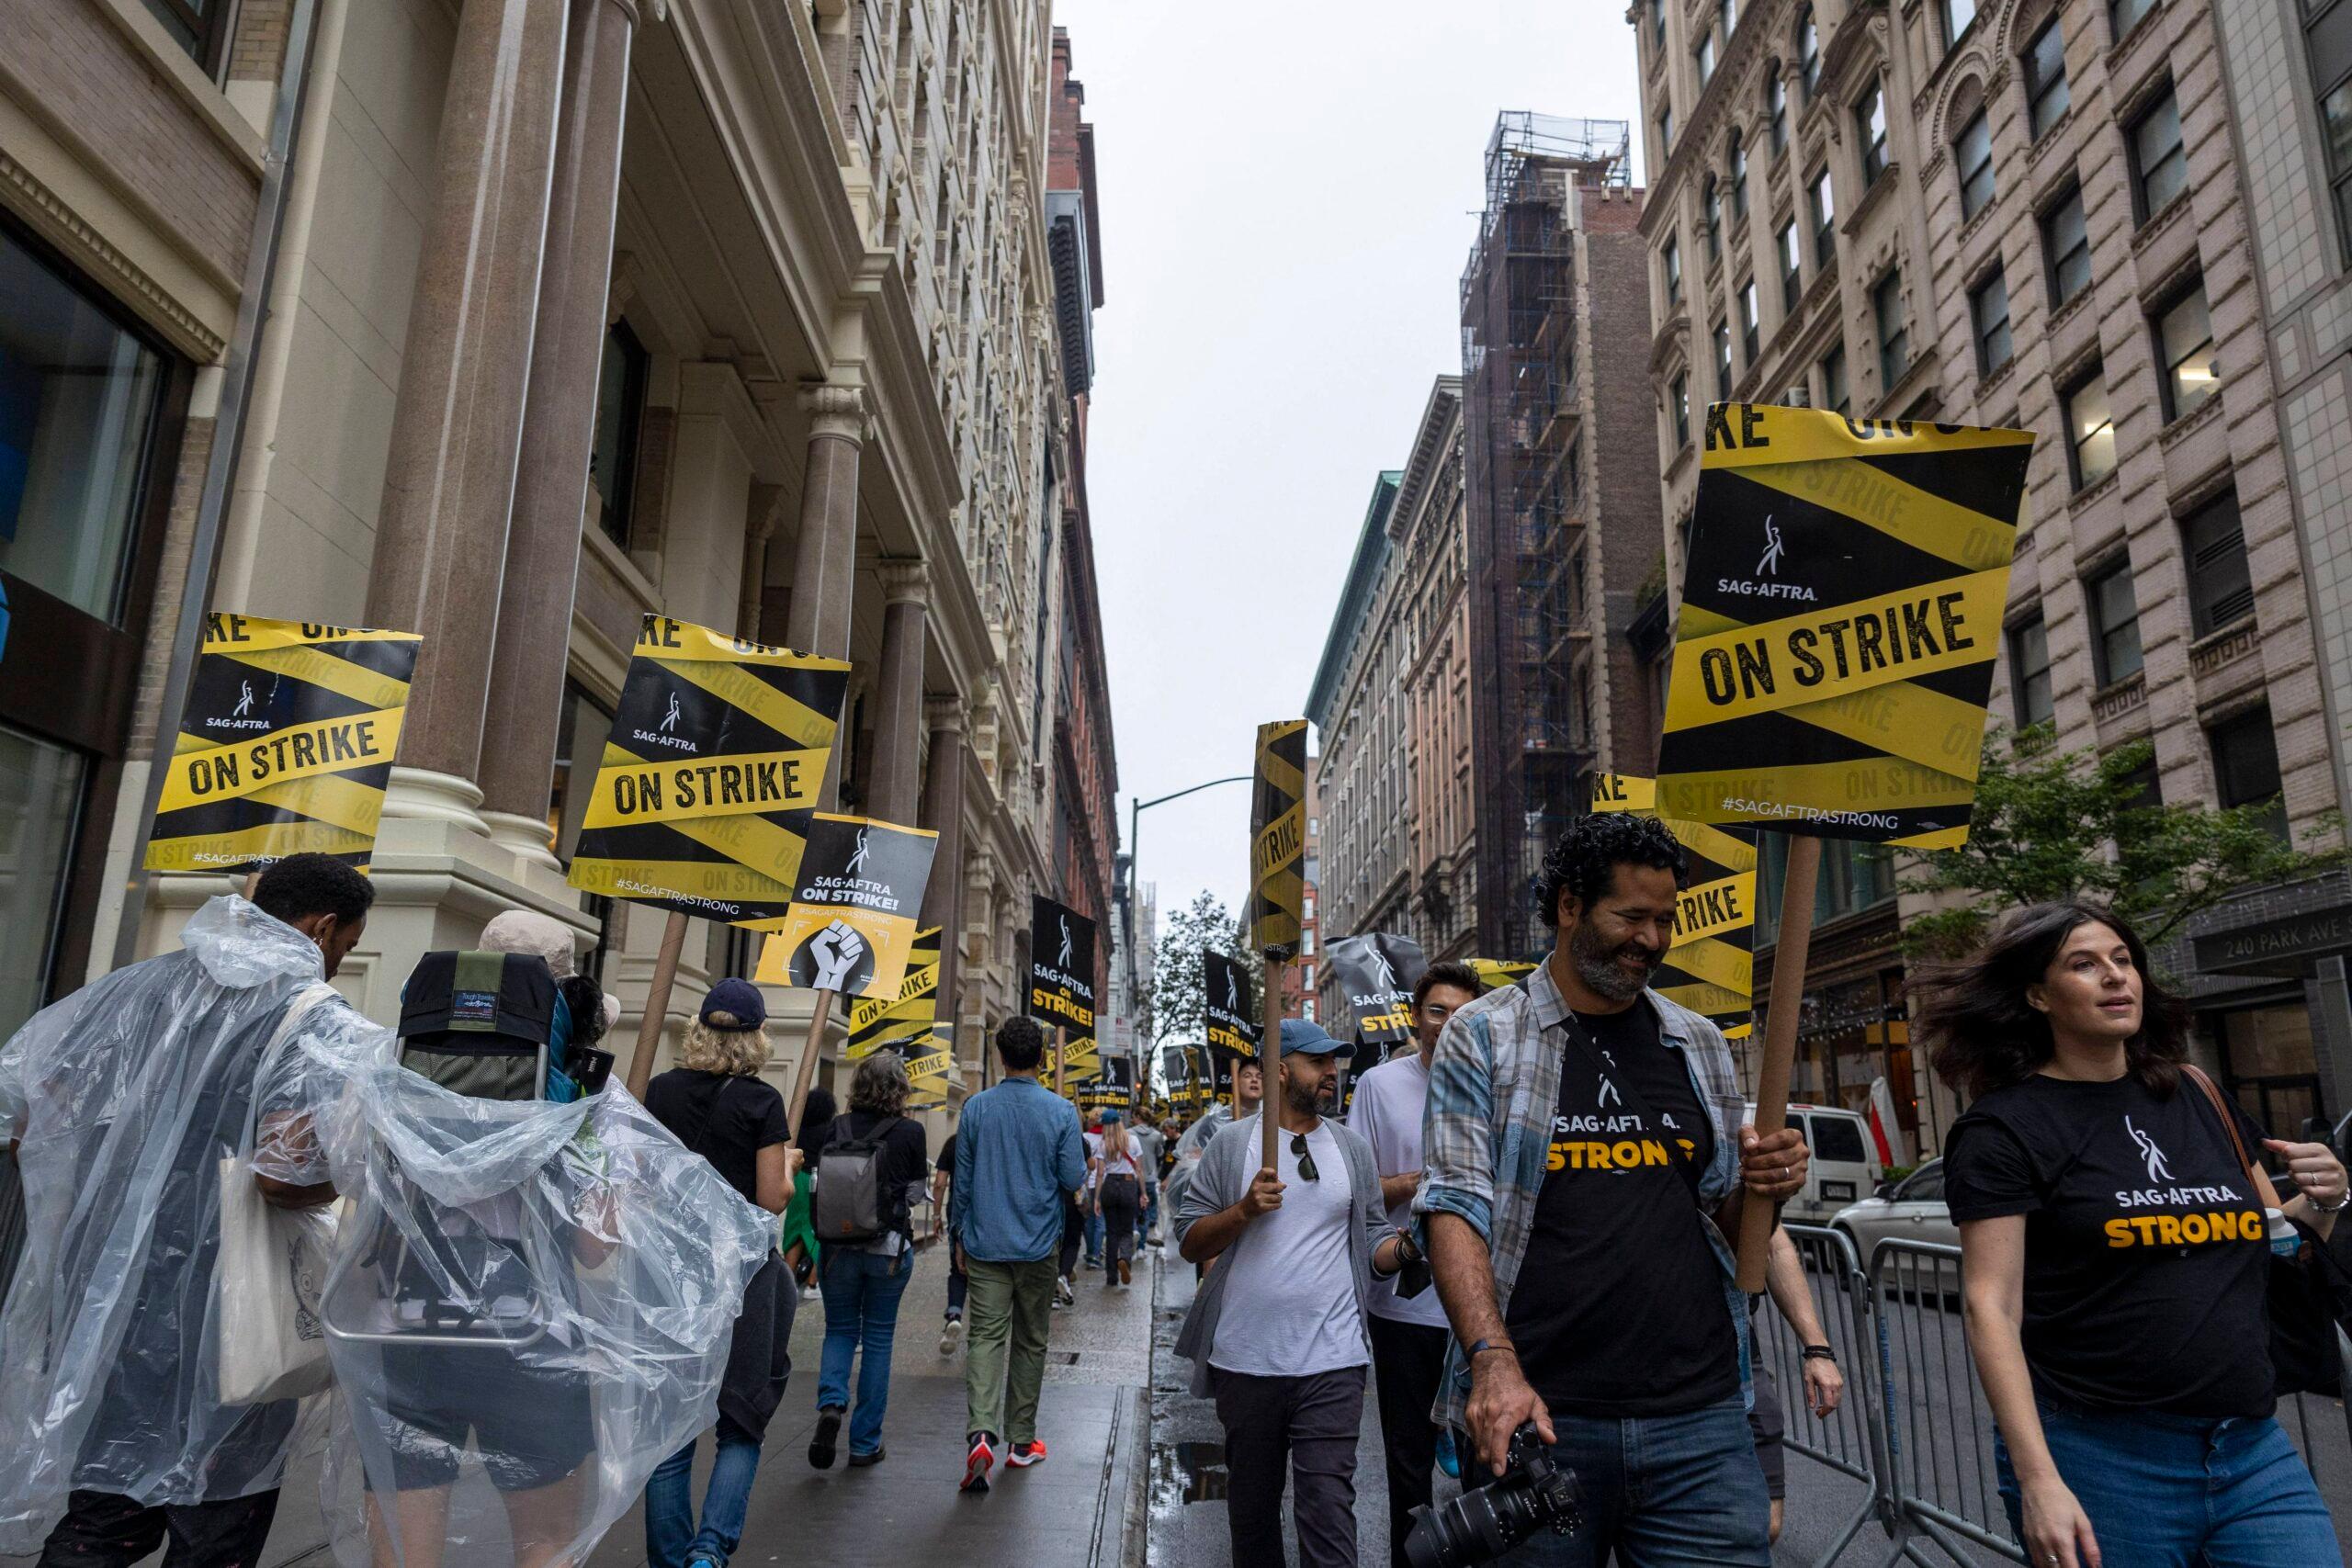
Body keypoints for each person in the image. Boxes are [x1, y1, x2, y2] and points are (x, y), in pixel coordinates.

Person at [1417, 813, 1811, 1566]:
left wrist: (1772, 1186)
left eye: (1665, 919)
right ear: (1569, 906)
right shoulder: (1483, 1034)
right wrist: (1493, 1362)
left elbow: (1726, 1216)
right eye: (1631, 916)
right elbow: (1456, 1203)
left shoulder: (1695, 1040)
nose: (1653, 939)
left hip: (1701, 1421)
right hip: (1542, 1422)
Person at [1922, 902, 2348, 1568]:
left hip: (2250, 1450)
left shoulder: (2197, 1094)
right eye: (2084, 964)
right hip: (2101, 1459)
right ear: (2038, 994)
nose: (2115, 977)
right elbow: (1991, 1307)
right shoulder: (2005, 1129)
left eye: (2123, 960)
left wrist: (2326, 1197)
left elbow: (2278, 1243)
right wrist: (2040, 1480)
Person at [0, 854, 374, 1565]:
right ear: (322, 928)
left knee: (102, 1511)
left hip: (111, 1296)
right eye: (347, 946)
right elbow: (279, 1176)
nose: (337, 962)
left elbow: (26, 1112)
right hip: (228, 1309)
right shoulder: (312, 1020)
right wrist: (346, 1182)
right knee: (214, 1522)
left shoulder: (135, 989)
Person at [1174, 1019, 1416, 1568]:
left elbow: (1374, 1238)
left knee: (1329, 1511)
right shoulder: (1233, 1145)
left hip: (1335, 1360)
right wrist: (1242, 1211)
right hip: (1246, 1362)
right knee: (1253, 1513)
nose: (1333, 1074)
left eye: (1335, 1063)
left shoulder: (1350, 1149)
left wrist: (1404, 1250)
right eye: (1319, 1063)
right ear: (1281, 1070)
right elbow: (1190, 1241)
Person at [640, 980, 803, 1568]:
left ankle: (669, 1557)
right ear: (757, 1038)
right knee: (741, 1419)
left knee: (672, 1424)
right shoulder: (762, 1103)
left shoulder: (657, 1091)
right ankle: (709, 1551)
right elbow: (770, 1200)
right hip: (743, 1276)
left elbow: (641, 1182)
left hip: (670, 1272)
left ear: (700, 1031)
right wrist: (786, 1167)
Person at [1347, 959, 1480, 1568]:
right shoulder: (1379, 1085)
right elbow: (1359, 1189)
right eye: (1436, 1010)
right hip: (1405, 1302)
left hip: (1483, 1305)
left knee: (1490, 1460)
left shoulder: (1496, 1082)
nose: (1449, 1023)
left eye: (1462, 1012)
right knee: (1408, 1464)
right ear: (1415, 1017)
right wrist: (1423, 1182)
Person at [955, 1017, 1087, 1494]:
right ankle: (1021, 1442)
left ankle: (981, 1433)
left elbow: (963, 1183)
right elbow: (1072, 1179)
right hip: (1038, 1245)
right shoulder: (1061, 1111)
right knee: (1031, 1341)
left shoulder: (976, 1109)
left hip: (986, 1241)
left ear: (1000, 1056)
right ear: (1043, 1059)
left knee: (985, 1338)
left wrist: (957, 1234)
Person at [806, 1054, 928, 1470]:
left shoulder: (833, 1128)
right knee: (877, 1340)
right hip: (887, 1251)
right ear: (900, 1089)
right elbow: (914, 1195)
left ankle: (831, 1404)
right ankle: (864, 1444)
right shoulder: (911, 1132)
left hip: (837, 1249)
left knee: (839, 1330)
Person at [1750, 1225, 1845, 1545]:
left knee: (1766, 1522)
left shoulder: (1732, 1175)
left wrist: (1817, 1350)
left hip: (1733, 1355)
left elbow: (1776, 1248)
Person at [781, 1086, 835, 1292]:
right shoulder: (829, 1130)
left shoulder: (797, 1129)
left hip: (796, 1179)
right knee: (817, 1231)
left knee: (794, 1229)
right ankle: (814, 1282)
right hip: (819, 1181)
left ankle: (787, 1282)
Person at [1096, 1110, 1145, 1288]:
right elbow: (1139, 1169)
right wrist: (1144, 1193)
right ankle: (1124, 1259)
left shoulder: (1103, 1144)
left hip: (1109, 1185)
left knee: (1112, 1232)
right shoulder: (1133, 1140)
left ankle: (1111, 1277)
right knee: (1126, 1230)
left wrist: (1097, 1199)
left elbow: (1100, 1173)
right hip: (1128, 1184)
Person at [933, 1128, 967, 1354]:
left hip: (957, 1210)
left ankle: (954, 1314)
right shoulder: (991, 1141)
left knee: (957, 1268)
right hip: (987, 1212)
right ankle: (980, 1333)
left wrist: (936, 1214)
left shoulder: (953, 1142)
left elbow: (940, 1182)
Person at [1135, 1118, 1168, 1244]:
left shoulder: (1129, 1134)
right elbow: (1160, 1153)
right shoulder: (1156, 1135)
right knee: (1147, 1210)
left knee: (1136, 1210)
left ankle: (1135, 1232)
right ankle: (1142, 1246)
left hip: (1132, 1178)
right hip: (1150, 1176)